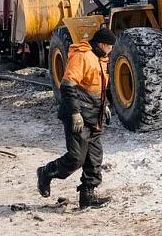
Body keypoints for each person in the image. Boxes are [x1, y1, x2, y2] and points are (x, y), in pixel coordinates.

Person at [37, 27, 116, 208]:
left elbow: (97, 87)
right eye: (110, 46)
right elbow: (68, 86)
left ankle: (88, 195)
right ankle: (46, 172)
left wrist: (105, 107)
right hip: (78, 116)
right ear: (102, 44)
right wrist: (75, 113)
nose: (111, 50)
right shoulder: (82, 56)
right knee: (76, 158)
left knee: (94, 157)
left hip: (94, 115)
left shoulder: (101, 59)